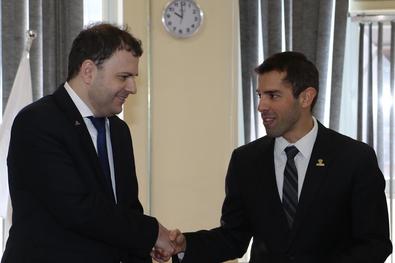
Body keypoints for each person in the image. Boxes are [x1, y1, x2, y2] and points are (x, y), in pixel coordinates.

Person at [166, 51, 392, 263]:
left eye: (273, 95)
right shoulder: (246, 160)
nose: (261, 106)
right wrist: (185, 245)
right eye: (260, 95)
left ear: (306, 97)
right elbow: (233, 238)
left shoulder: (353, 158)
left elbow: (375, 244)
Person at [2, 23, 175, 263]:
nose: (132, 88)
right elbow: (77, 208)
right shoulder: (38, 121)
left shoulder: (118, 130)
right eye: (123, 77)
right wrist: (152, 232)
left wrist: (143, 244)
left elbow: (126, 211)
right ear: (88, 71)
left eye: (133, 78)